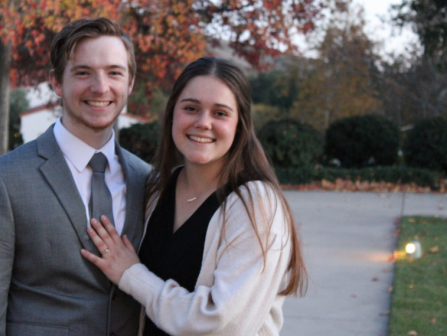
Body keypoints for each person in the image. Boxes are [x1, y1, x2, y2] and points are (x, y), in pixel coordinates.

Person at [81, 57, 307, 336]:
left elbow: (222, 324)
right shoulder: (156, 190)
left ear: (240, 125)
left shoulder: (257, 204)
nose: (203, 123)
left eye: (220, 113)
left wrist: (132, 275)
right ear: (172, 113)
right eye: (191, 108)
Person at [0, 17, 151, 336]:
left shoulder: (148, 180)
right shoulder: (3, 180)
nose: (100, 87)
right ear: (57, 82)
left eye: (114, 73)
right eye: (83, 72)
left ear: (129, 83)